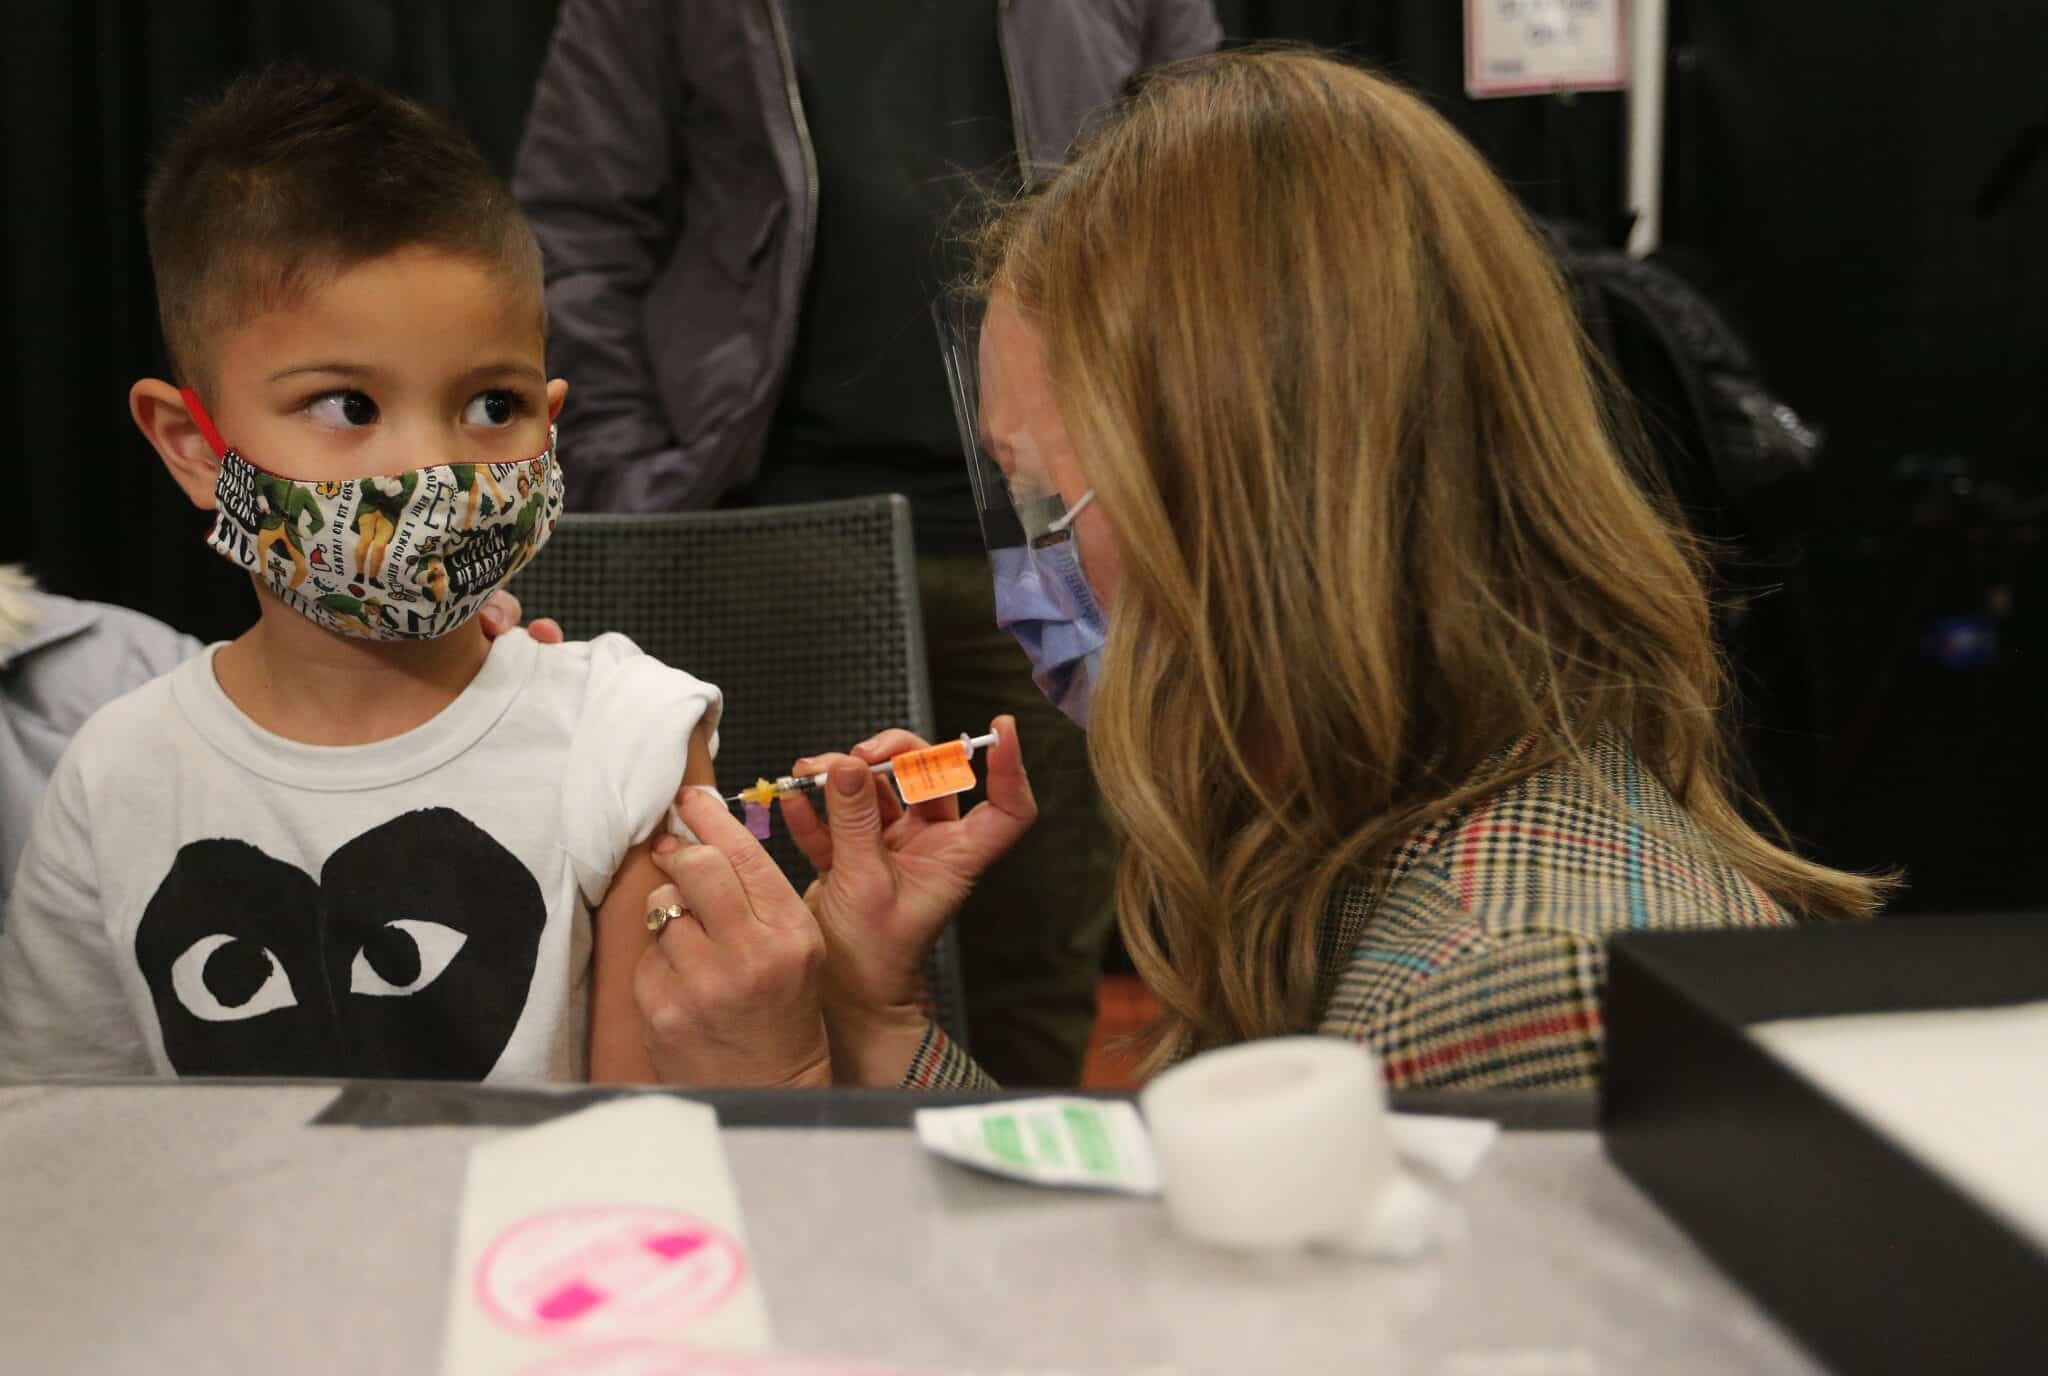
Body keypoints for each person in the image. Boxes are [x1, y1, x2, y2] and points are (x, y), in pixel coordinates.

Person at [622, 51, 1892, 1093]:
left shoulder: (1510, 983)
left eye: (1043, 498)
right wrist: (872, 1019)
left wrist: (782, 1088)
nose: (1027, 578)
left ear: (1249, 493)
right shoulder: (1350, 838)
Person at [514, 0, 1222, 1087]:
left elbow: (1206, 194)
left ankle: (1012, 1224)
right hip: (760, 530)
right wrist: (631, 476)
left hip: (1059, 537)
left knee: (1038, 959)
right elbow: (577, 221)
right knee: (752, 947)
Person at [0, 70, 718, 1084]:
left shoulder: (628, 735)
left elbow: (638, 1156)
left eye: (490, 406)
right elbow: (58, 1139)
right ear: (192, 445)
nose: (429, 469)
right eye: (344, 406)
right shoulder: (115, 773)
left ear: (550, 418)